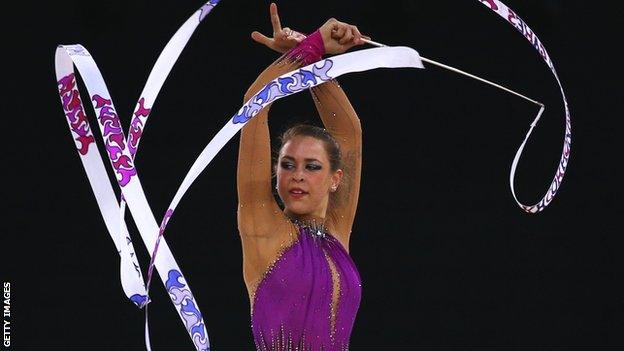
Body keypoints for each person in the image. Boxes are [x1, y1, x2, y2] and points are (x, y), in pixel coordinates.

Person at [237, 3, 368, 350]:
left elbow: (348, 132)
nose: (297, 176)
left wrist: (309, 54)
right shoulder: (261, 227)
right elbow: (256, 104)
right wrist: (312, 48)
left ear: (335, 179)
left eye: (312, 167)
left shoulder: (335, 233)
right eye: (287, 164)